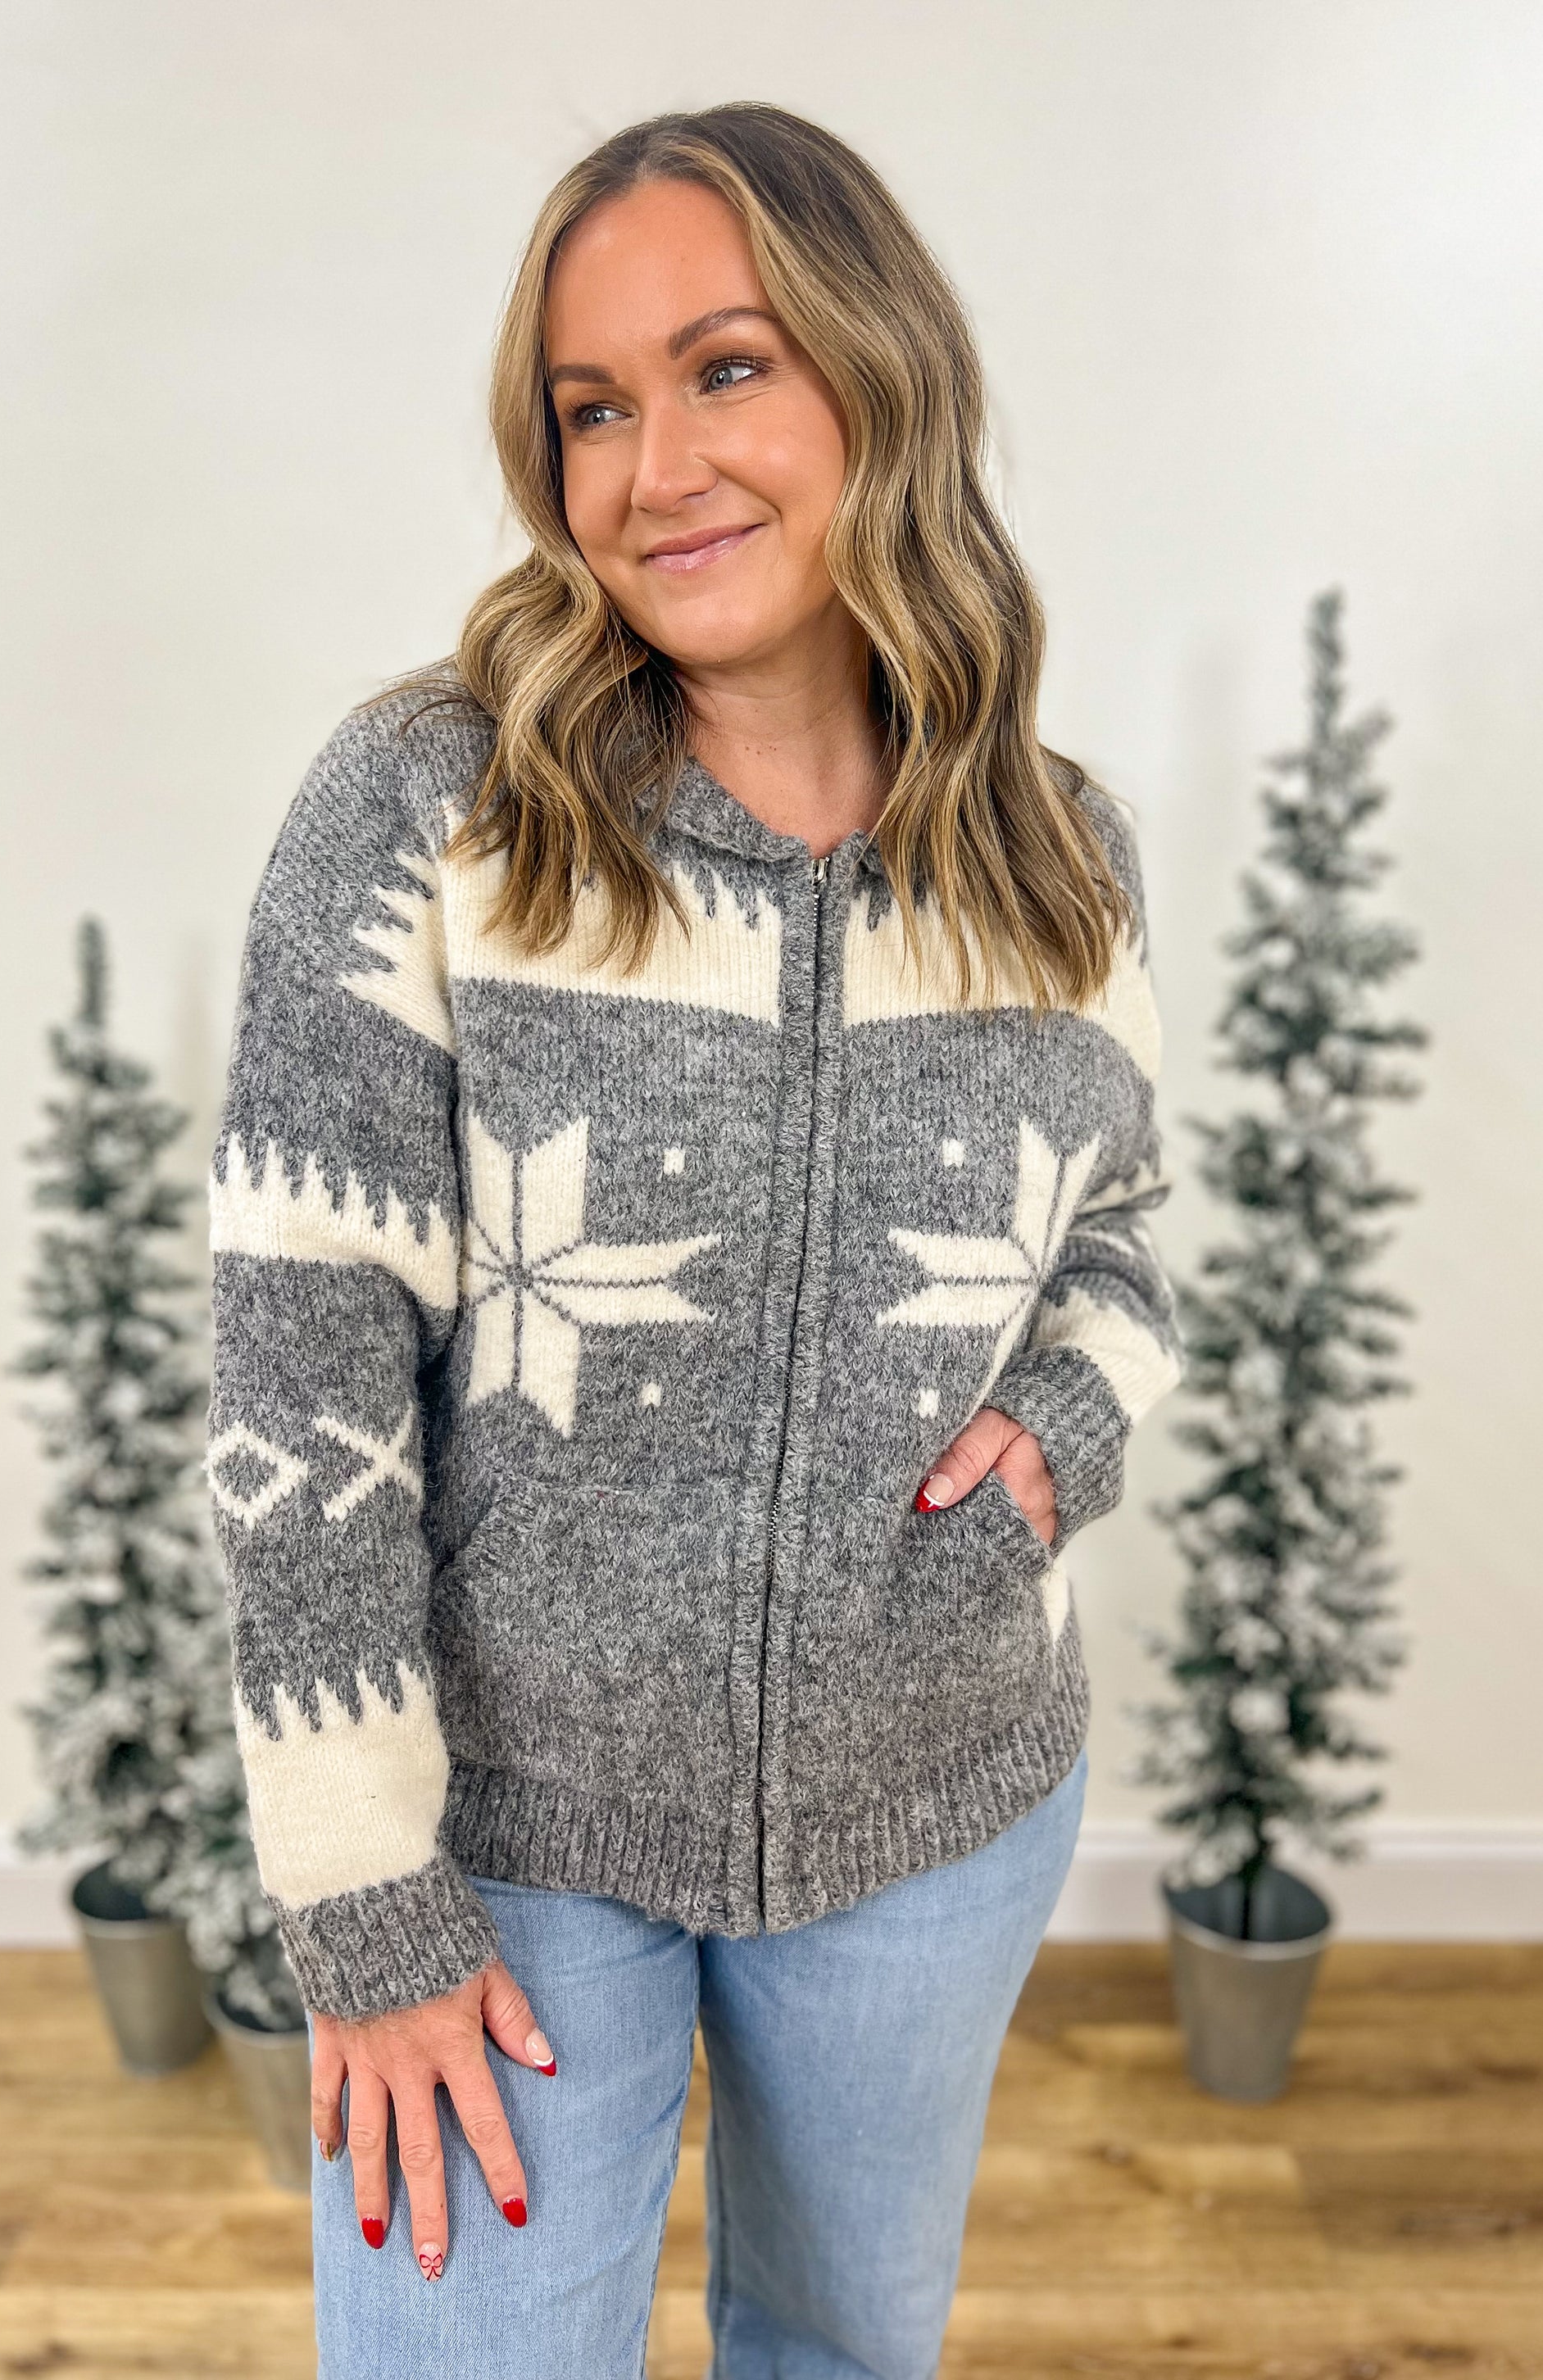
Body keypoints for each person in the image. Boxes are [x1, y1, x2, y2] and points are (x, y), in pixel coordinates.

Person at [208, 99, 1182, 2380]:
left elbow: (1124, 1230)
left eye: (726, 368)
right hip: (505, 1831)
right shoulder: (435, 810)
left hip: (937, 1798)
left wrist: (1063, 1418)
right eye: (591, 408)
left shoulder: (1058, 857)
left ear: (879, 374)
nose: (656, 469)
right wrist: (360, 1886)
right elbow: (300, 1371)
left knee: (842, 2346)